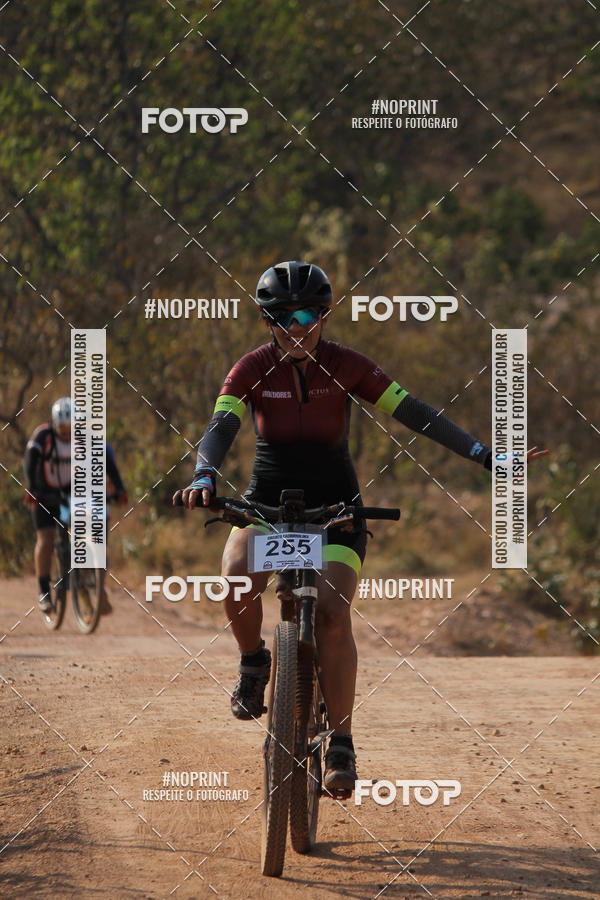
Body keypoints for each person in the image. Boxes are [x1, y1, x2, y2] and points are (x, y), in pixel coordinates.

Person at [174, 260, 548, 796]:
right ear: (265, 320)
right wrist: (204, 473)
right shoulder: (249, 369)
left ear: (325, 315)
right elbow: (221, 427)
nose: (296, 328)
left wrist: (488, 457)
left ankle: (342, 741)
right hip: (267, 503)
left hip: (337, 508)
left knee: (330, 613)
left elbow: (415, 412)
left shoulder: (347, 365)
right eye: (283, 317)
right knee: (235, 572)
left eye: (307, 315)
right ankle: (254, 662)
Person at [23, 397, 129, 613]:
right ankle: (44, 590)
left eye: (70, 427)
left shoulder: (86, 438)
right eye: (61, 427)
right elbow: (30, 461)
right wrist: (32, 488)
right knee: (46, 538)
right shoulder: (43, 436)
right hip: (45, 492)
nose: (65, 431)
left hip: (73, 492)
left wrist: (118, 489)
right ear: (54, 423)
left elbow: (107, 463)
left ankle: (88, 579)